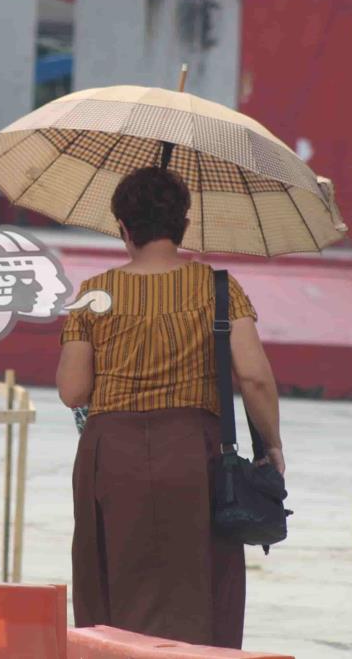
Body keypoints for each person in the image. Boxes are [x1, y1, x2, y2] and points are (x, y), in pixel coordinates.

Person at [56, 166, 284, 648]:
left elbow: (73, 391)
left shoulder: (93, 294)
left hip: (110, 456)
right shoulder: (217, 288)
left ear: (123, 225)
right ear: (183, 221)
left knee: (112, 585)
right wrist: (273, 446)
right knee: (197, 588)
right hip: (193, 455)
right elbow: (256, 377)